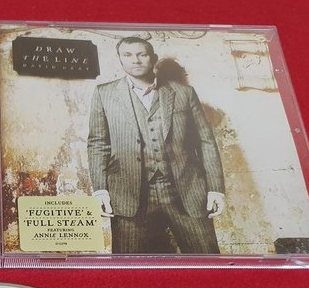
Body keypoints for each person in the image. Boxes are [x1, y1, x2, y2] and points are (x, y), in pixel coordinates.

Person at [88, 36, 225, 254]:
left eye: (142, 54)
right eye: (128, 55)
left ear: (153, 58)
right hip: (129, 195)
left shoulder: (184, 93)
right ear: (120, 59)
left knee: (207, 260)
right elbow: (98, 143)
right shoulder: (104, 94)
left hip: (185, 191)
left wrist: (216, 189)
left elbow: (205, 141)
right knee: (130, 267)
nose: (135, 60)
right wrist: (100, 190)